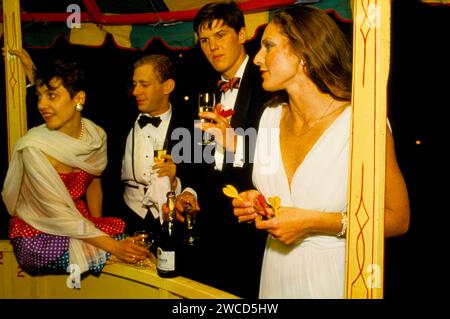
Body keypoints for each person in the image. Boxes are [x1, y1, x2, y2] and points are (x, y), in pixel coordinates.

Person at [231, 5, 410, 298]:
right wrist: (259, 203)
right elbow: (284, 200)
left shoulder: (360, 123)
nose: (258, 59)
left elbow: (398, 219)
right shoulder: (270, 116)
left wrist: (315, 223)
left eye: (268, 46)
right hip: (275, 273)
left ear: (303, 53)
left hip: (334, 277)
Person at [1, 54, 148, 274]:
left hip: (79, 223)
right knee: (125, 253)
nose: (42, 104)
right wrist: (111, 246)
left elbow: (93, 181)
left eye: (51, 95)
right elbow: (57, 216)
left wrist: (97, 227)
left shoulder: (95, 136)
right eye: (39, 96)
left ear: (79, 99)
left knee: (140, 248)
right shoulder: (33, 148)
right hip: (39, 236)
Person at [174, 1, 270, 298]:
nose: (212, 47)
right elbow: (196, 153)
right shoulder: (203, 86)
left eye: (221, 36)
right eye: (205, 40)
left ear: (242, 35)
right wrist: (189, 191)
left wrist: (235, 142)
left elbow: (274, 154)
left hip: (250, 225)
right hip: (209, 223)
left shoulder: (268, 83)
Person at [120, 54, 194, 242]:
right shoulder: (117, 122)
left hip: (171, 218)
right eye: (134, 84)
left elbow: (200, 175)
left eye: (144, 84)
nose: (136, 91)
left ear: (167, 86)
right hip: (127, 214)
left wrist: (179, 175)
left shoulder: (191, 127)